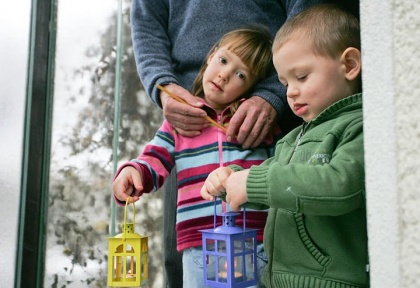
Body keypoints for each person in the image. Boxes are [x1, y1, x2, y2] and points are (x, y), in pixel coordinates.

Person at [201, 4, 368, 288]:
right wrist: (231, 177)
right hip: (275, 280)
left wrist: (252, 182)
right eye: (284, 81)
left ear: (349, 65)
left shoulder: (359, 126)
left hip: (329, 282)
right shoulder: (293, 138)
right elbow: (273, 182)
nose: (290, 91)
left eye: (301, 77)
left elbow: (340, 184)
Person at [113, 27, 282, 287]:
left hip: (255, 243)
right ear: (211, 56)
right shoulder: (180, 124)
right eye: (223, 60)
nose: (224, 75)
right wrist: (132, 171)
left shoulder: (256, 127)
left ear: (252, 86)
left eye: (240, 74)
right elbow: (152, 159)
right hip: (198, 246)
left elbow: (279, 170)